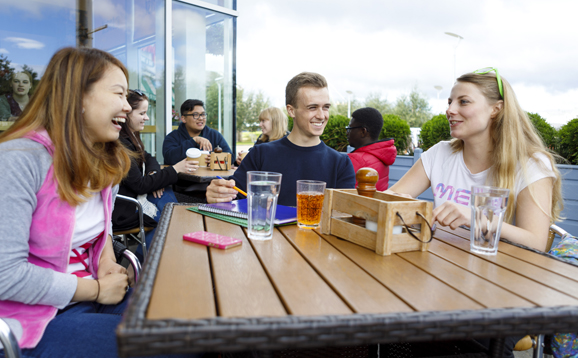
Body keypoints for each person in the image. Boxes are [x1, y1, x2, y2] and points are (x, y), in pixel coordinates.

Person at [0, 47, 198, 358]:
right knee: (179, 345)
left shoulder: (104, 159)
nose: (126, 105)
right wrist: (94, 289)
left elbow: (100, 229)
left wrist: (106, 262)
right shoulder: (19, 160)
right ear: (77, 96)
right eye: (119, 93)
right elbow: (5, 275)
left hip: (95, 298)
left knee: (196, 319)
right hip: (35, 321)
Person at [388, 69, 562, 251]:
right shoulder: (440, 153)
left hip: (503, 272)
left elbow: (536, 242)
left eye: (463, 101)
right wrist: (403, 204)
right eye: (450, 102)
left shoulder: (532, 165)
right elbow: (387, 199)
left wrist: (476, 218)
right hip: (441, 264)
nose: (449, 110)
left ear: (496, 109)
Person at [207, 72, 355, 206]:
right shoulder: (261, 154)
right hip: (262, 235)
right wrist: (218, 194)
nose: (322, 116)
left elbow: (341, 217)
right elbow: (233, 197)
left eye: (326, 107)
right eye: (312, 107)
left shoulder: (341, 164)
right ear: (291, 110)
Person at [113, 89, 198, 261]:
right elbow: (140, 185)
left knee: (166, 198)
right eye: (142, 113)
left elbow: (148, 157)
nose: (147, 118)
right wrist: (175, 169)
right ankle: (149, 263)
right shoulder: (121, 143)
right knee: (167, 215)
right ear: (127, 114)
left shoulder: (130, 137)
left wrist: (153, 172)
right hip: (123, 208)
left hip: (133, 197)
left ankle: (167, 252)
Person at [162, 99, 232, 165]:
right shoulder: (172, 137)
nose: (201, 118)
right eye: (195, 115)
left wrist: (215, 159)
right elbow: (169, 159)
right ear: (183, 118)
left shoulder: (215, 135)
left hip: (211, 177)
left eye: (203, 114)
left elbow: (231, 158)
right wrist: (194, 141)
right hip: (182, 177)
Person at [346, 107, 397, 191]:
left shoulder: (353, 160)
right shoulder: (382, 157)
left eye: (350, 129)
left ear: (363, 131)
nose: (347, 133)